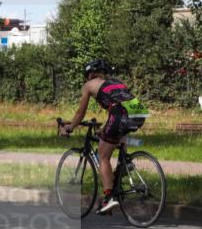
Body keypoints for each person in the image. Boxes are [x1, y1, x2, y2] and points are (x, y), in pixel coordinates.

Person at [60, 59, 148, 214]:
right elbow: (119, 105)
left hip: (120, 114)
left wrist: (70, 128)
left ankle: (109, 198)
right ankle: (125, 165)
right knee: (115, 134)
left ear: (89, 74)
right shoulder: (115, 82)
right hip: (139, 112)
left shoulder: (89, 85)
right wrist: (105, 128)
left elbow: (80, 113)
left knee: (103, 156)